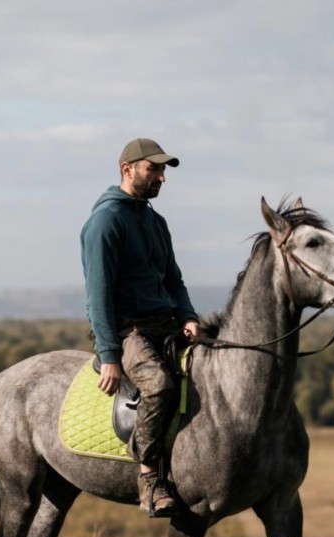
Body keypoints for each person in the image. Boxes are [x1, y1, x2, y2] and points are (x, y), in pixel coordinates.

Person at [80, 138, 199, 516]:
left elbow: (174, 282)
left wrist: (189, 317)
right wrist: (109, 354)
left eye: (164, 171)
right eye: (154, 169)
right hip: (128, 331)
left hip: (166, 323)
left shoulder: (155, 221)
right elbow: (97, 295)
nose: (162, 178)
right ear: (127, 169)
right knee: (160, 385)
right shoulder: (105, 221)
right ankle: (149, 478)